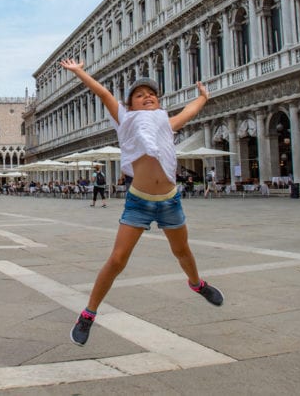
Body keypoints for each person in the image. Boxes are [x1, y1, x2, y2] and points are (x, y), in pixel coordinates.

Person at [60, 59, 223, 347]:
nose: (148, 96)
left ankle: (197, 284)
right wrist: (78, 72)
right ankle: (87, 314)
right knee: (118, 259)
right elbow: (103, 93)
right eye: (140, 94)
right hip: (139, 201)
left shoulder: (165, 122)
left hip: (170, 200)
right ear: (131, 105)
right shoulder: (126, 119)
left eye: (152, 94)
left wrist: (202, 98)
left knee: (182, 250)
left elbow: (188, 111)